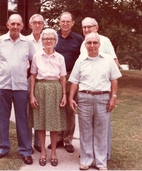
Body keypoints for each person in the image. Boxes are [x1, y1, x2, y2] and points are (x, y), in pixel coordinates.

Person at [68, 32, 122, 170]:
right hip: (84, 98)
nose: (92, 46)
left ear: (99, 44)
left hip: (103, 98)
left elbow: (114, 79)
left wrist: (113, 97)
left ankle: (100, 162)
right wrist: (70, 98)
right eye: (89, 43)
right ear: (85, 45)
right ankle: (86, 160)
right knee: (85, 130)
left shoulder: (108, 60)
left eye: (95, 43)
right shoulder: (80, 60)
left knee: (101, 130)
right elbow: (74, 81)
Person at [0, 14, 35, 165]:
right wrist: (2, 75)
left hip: (21, 86)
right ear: (7, 24)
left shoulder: (27, 43)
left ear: (22, 26)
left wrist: (22, 75)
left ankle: (25, 150)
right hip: (3, 85)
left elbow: (32, 64)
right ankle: (3, 148)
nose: (15, 26)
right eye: (12, 23)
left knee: (22, 119)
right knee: (3, 118)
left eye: (18, 24)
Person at [80, 17, 119, 160]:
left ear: (96, 27)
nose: (86, 29)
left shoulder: (105, 41)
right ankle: (88, 154)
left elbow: (114, 62)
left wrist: (113, 94)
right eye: (84, 27)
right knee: (87, 127)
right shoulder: (83, 43)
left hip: (103, 90)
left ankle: (104, 155)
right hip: (87, 90)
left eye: (89, 26)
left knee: (102, 127)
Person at [29, 28, 67, 166]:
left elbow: (63, 78)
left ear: (55, 41)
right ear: (42, 41)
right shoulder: (37, 56)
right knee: (40, 122)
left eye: (51, 38)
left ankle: (54, 153)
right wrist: (32, 95)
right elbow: (32, 76)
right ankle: (43, 153)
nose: (48, 41)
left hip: (55, 89)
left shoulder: (60, 58)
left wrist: (64, 95)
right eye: (45, 39)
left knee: (54, 123)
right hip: (40, 88)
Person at [47, 12, 84, 153]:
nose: (65, 24)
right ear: (59, 22)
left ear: (73, 23)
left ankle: (68, 139)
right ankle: (57, 139)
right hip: (54, 77)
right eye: (63, 21)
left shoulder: (78, 39)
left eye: (68, 21)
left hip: (70, 77)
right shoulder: (53, 37)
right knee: (56, 109)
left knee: (69, 108)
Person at [26, 14, 45, 153]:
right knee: (27, 112)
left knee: (39, 111)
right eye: (35, 23)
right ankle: (27, 143)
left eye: (40, 23)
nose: (37, 25)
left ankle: (38, 142)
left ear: (43, 25)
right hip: (28, 78)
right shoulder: (25, 41)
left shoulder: (47, 40)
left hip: (43, 80)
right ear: (30, 24)